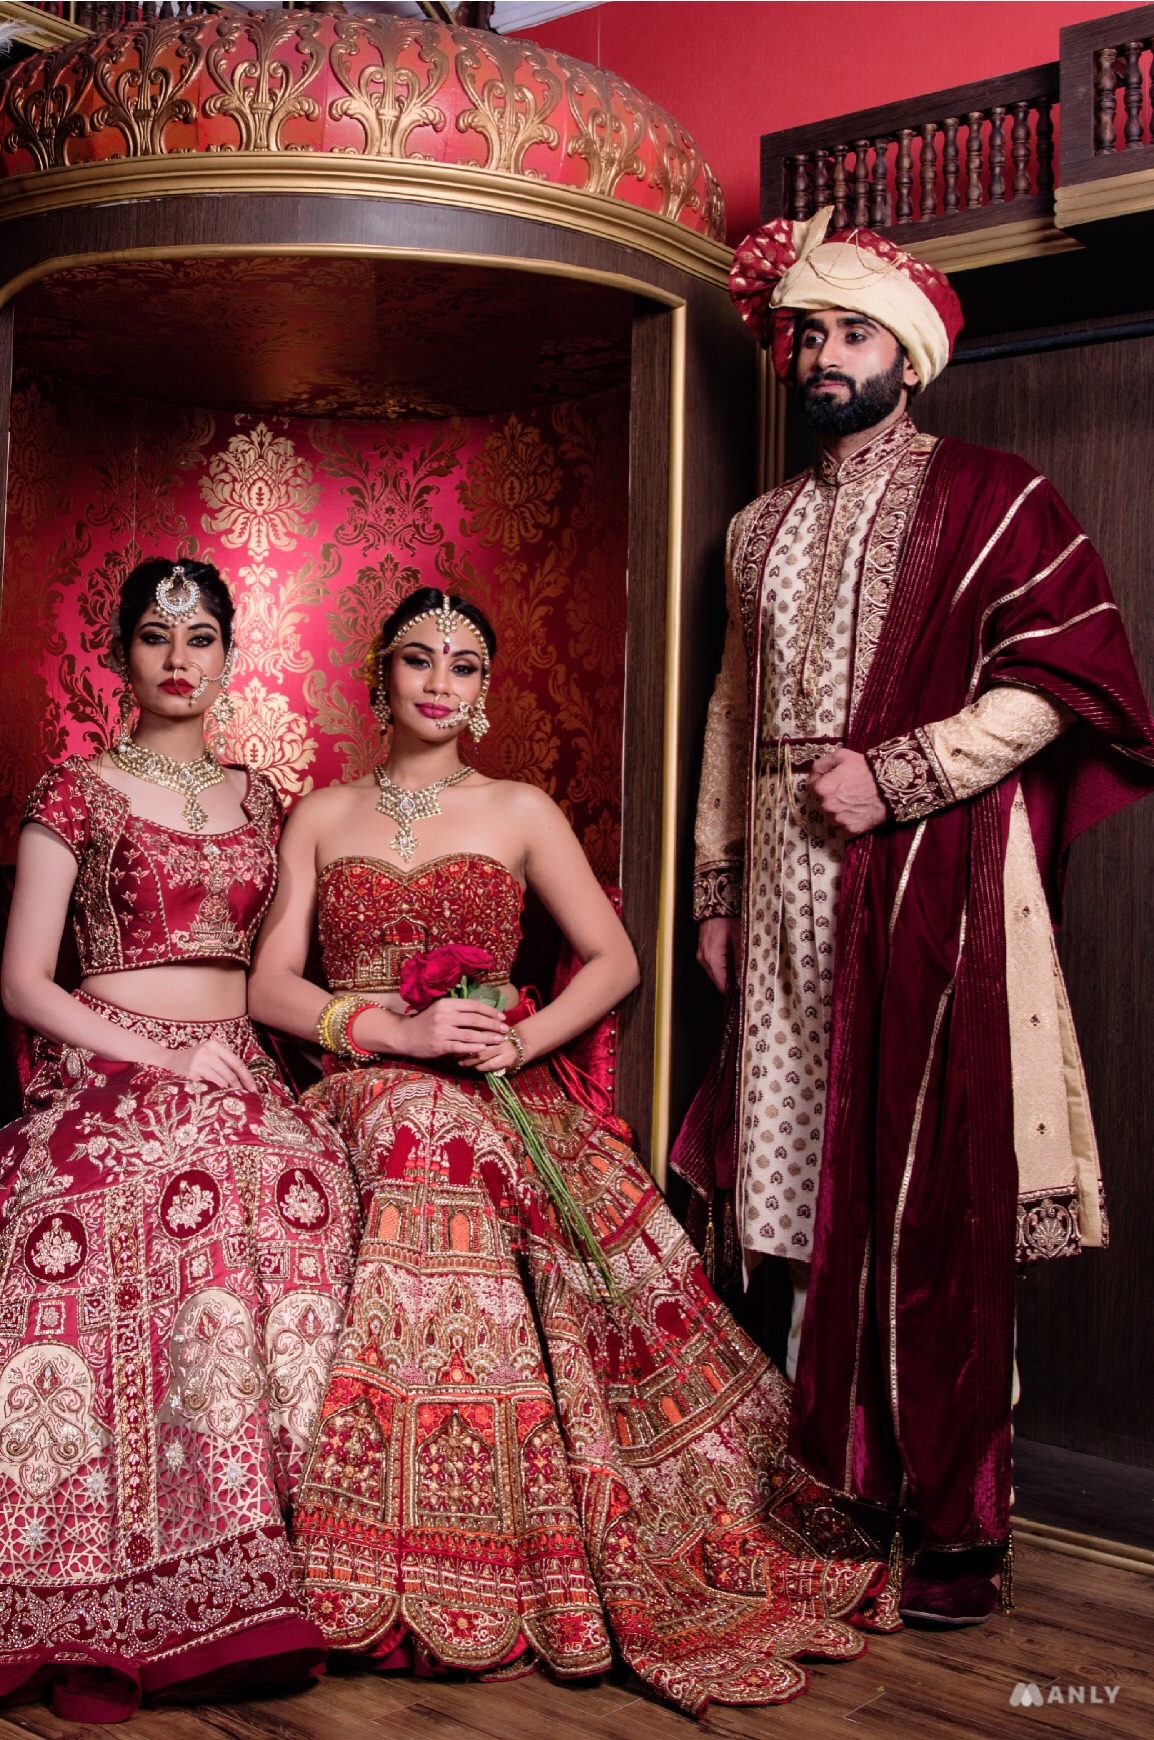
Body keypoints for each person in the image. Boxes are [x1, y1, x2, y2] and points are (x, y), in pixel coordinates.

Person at [247, 584, 898, 1717]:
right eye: (418, 659)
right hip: (364, 1081)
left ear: (484, 693)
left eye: (462, 665)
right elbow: (268, 985)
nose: (440, 682)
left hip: (497, 1088)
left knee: (452, 1135)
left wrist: (521, 1038)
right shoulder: (320, 815)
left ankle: (486, 1521)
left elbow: (615, 959)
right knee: (416, 1128)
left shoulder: (518, 808)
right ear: (380, 675)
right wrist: (387, 1031)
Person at [688, 205, 1154, 1624]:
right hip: (784, 892)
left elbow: (1062, 685)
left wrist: (896, 774)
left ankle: (952, 1521)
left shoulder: (993, 495)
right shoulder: (754, 529)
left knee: (926, 1193)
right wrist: (717, 885)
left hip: (926, 881)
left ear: (906, 355)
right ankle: (828, 1485)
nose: (823, 356)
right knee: (794, 1195)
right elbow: (730, 711)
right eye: (807, 335)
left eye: (852, 333)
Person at [0, 558, 360, 1722]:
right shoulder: (75, 790)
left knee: (309, 1179)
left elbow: (284, 970)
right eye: (155, 637)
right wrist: (157, 1056)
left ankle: (316, 1561)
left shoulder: (265, 801)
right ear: (119, 654)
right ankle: (137, 1572)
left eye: (200, 637)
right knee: (171, 1189)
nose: (177, 658)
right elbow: (23, 982)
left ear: (228, 656)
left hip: (241, 1066)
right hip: (107, 1068)